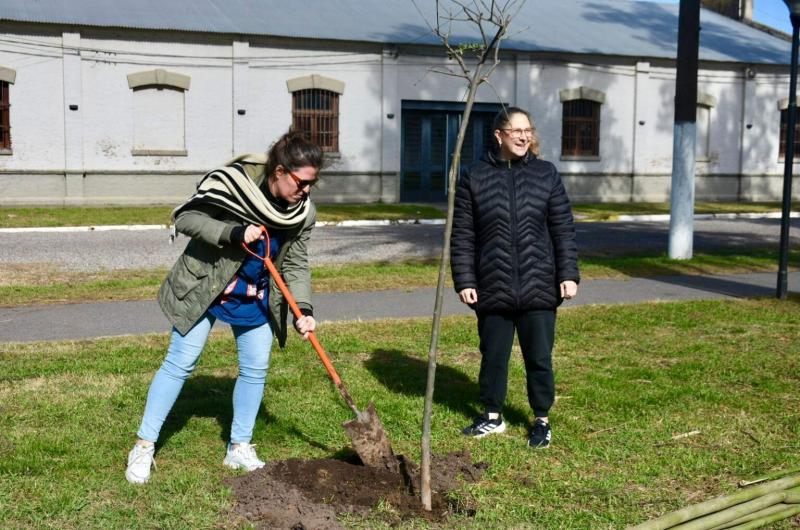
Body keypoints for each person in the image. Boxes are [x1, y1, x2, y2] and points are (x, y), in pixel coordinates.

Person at [125, 131, 323, 484]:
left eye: (313, 183)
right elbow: (186, 219)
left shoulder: (302, 214)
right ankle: (144, 444)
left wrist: (303, 309)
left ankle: (239, 447)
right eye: (301, 182)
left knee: (255, 370)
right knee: (179, 363)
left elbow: (296, 263)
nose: (306, 190)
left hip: (254, 295)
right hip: (207, 287)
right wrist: (233, 232)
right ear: (279, 171)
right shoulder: (236, 185)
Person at [451, 107, 579, 448]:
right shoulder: (474, 176)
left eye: (528, 130)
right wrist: (465, 280)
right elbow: (463, 234)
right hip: (492, 286)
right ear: (499, 135)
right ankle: (492, 416)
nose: (524, 136)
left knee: (539, 357)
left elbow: (562, 230)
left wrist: (567, 274)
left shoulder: (546, 175)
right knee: (493, 356)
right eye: (516, 130)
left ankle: (541, 420)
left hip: (539, 285)